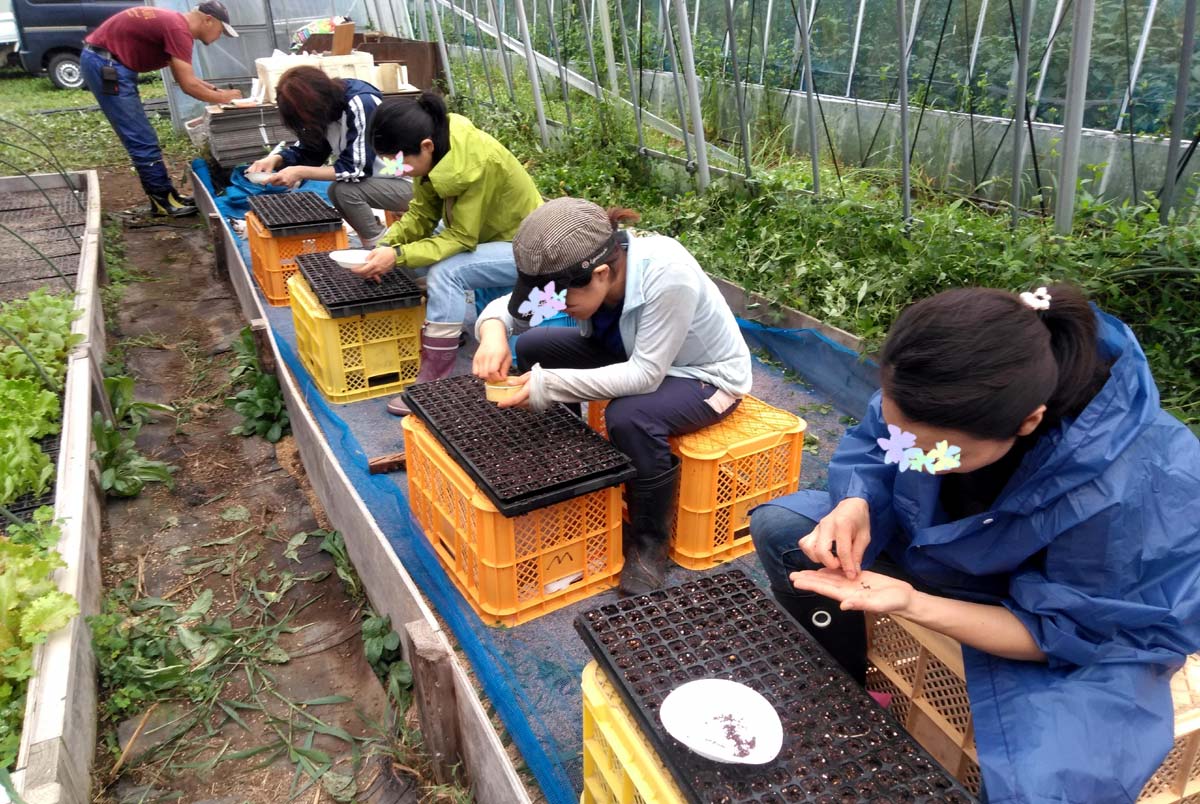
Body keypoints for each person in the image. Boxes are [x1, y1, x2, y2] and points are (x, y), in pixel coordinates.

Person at [750, 284, 1200, 802]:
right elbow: (879, 447)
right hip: (946, 554)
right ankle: (855, 685)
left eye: (938, 454)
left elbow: (1071, 631)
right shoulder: (938, 392)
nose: (914, 461)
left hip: (1074, 622)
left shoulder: (1123, 493)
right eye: (905, 434)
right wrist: (856, 502)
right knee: (786, 530)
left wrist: (916, 603)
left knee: (1050, 783)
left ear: (1028, 421)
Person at [472, 197, 753, 595]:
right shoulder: (582, 274)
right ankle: (571, 472)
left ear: (602, 273)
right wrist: (494, 333)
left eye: (564, 299)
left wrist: (545, 386)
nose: (558, 305)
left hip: (705, 378)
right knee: (534, 345)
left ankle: (649, 544)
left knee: (630, 416)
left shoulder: (668, 275)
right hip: (629, 349)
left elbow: (645, 376)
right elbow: (511, 311)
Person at [349, 92, 542, 415]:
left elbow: (462, 238)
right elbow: (422, 216)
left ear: (425, 146)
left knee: (446, 271)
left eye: (401, 161)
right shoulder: (437, 151)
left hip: (526, 247)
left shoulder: (474, 164)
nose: (398, 170)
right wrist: (387, 246)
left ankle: (433, 382)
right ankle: (447, 329)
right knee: (405, 252)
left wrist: (398, 255)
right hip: (487, 236)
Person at [81, 2, 241, 217]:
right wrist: (226, 99)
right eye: (221, 30)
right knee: (140, 136)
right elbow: (188, 86)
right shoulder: (178, 30)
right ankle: (162, 201)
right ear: (208, 20)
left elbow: (187, 78)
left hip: (108, 61)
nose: (219, 36)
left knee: (142, 134)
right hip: (107, 66)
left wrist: (214, 90)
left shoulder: (175, 24)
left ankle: (167, 195)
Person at [247, 67, 410, 247]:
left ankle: (381, 248)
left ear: (314, 104)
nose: (305, 124)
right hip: (381, 181)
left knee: (344, 191)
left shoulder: (361, 103)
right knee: (338, 191)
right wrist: (276, 159)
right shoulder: (326, 110)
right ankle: (375, 244)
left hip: (411, 182)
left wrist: (299, 172)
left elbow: (355, 168)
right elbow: (311, 151)